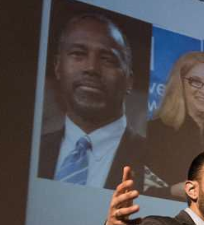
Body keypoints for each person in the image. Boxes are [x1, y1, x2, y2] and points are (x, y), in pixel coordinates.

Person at [38, 13, 144, 189]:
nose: (91, 68)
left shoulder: (152, 159)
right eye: (78, 54)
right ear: (57, 67)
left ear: (129, 81)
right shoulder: (34, 150)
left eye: (107, 59)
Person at [145, 51, 204, 200]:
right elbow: (136, 192)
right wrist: (172, 191)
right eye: (195, 81)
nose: (203, 91)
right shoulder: (152, 132)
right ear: (180, 84)